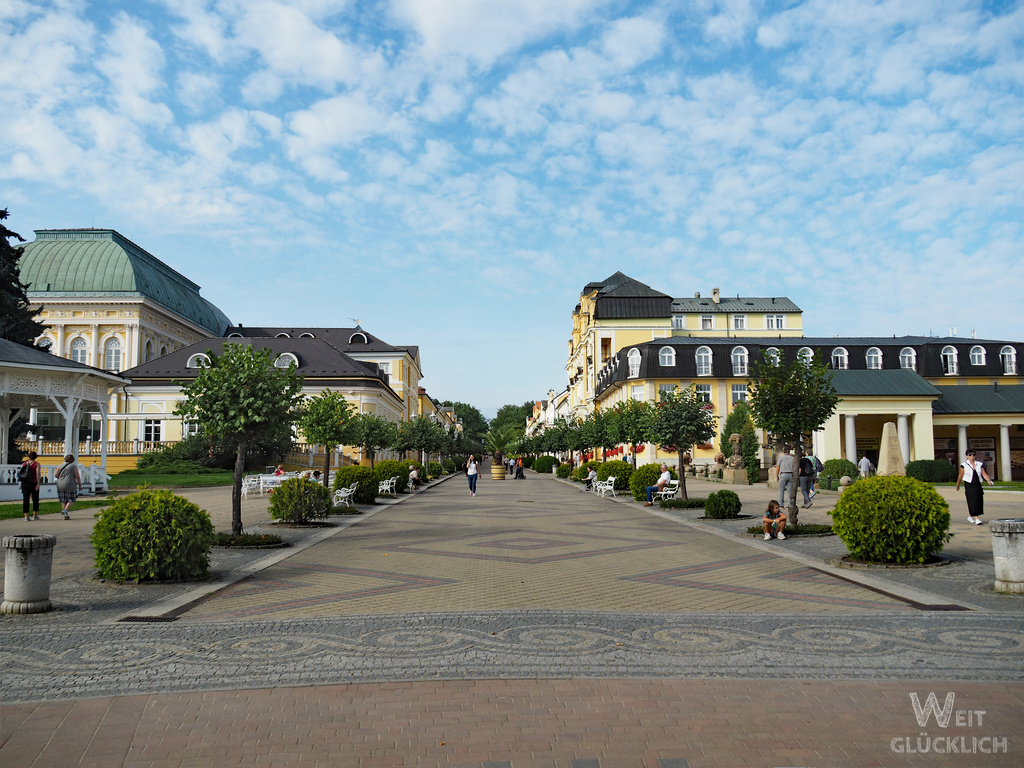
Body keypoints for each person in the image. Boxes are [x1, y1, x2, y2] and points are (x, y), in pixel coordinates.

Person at [956, 449, 994, 525]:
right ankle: (976, 518)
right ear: (967, 456)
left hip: (977, 484)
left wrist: (988, 480)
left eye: (973, 454)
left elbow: (984, 473)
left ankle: (970, 516)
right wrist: (958, 485)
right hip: (969, 484)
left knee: (978, 499)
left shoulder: (979, 464)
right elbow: (960, 476)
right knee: (973, 500)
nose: (972, 456)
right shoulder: (964, 465)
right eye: (970, 455)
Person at [55, 454, 82, 520]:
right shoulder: (73, 466)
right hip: (70, 484)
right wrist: (80, 485)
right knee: (72, 498)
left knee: (63, 500)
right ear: (72, 460)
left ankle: (66, 515)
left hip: (60, 484)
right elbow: (77, 476)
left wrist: (61, 478)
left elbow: (56, 475)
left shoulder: (60, 465)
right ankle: (65, 510)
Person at [20, 451, 41, 521]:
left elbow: (21, 472)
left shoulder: (24, 463)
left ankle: (26, 516)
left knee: (26, 499)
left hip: (25, 483)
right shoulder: (37, 464)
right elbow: (38, 474)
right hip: (33, 482)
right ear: (36, 457)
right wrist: (38, 483)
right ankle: (35, 515)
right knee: (35, 499)